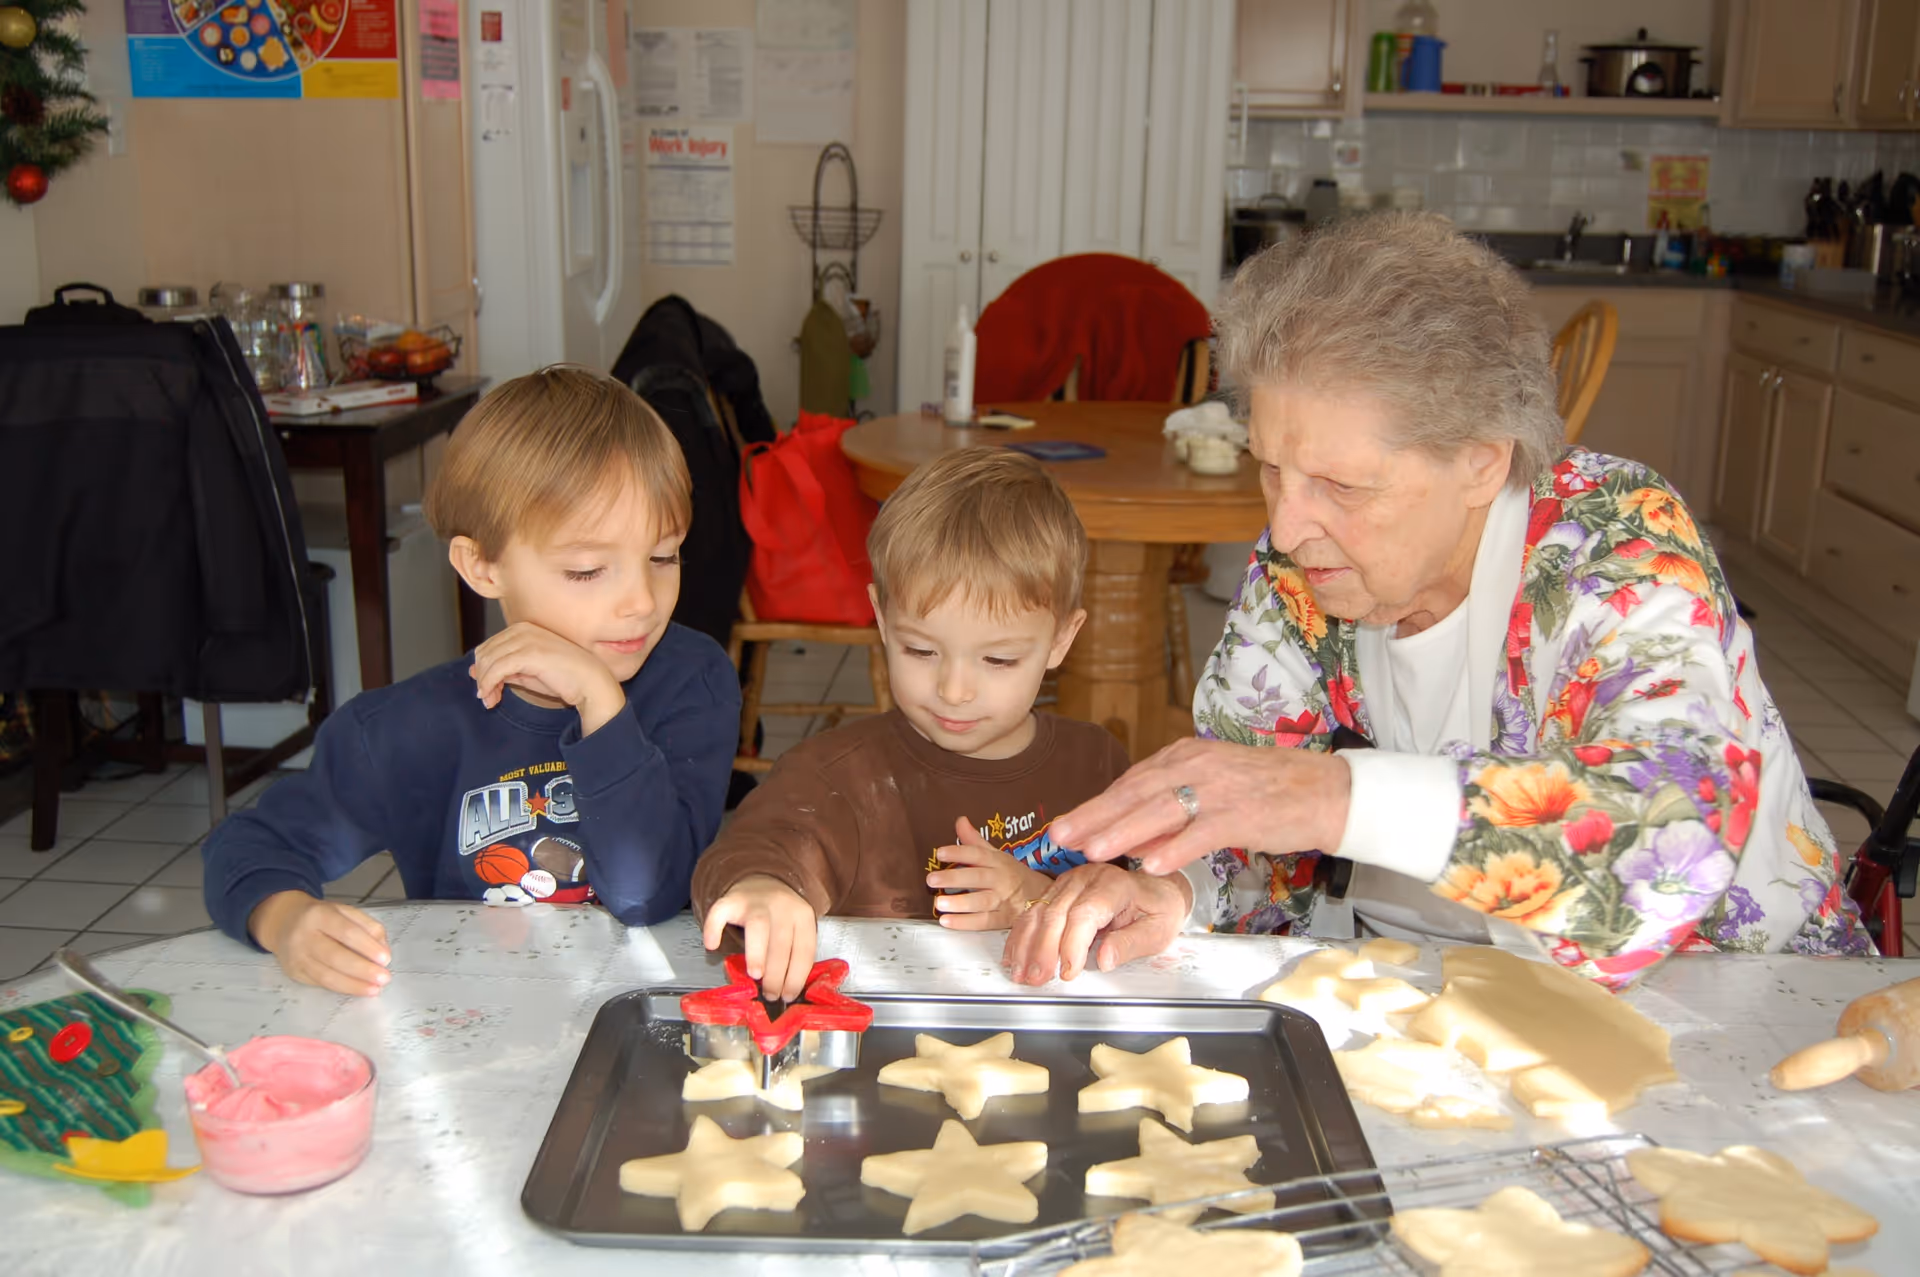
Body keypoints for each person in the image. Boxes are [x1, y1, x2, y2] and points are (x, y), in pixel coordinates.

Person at [1002, 212, 1872, 989]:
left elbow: (1664, 847)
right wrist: (1173, 889)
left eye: (1342, 483)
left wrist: (1328, 795)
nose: (1287, 524)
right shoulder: (1299, 570)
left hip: (1738, 1003)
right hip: (1438, 1008)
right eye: (1271, 466)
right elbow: (1255, 828)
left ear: (1481, 462)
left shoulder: (1614, 541)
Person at [201, 368, 741, 996]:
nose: (641, 602)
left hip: (640, 1012)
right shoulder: (406, 730)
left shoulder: (692, 683)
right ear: (482, 566)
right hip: (473, 1022)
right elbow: (247, 845)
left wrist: (600, 702)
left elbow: (645, 892)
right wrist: (285, 918)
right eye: (589, 569)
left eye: (663, 556)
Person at [693, 446, 1150, 999]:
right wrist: (764, 889)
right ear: (883, 620)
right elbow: (750, 852)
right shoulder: (834, 775)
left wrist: (1034, 898)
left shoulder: (1097, 766)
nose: (954, 691)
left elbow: (1144, 910)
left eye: (998, 660)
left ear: (1060, 640)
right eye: (920, 650)